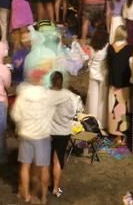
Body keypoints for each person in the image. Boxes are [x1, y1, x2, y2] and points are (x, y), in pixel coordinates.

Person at [13, 72, 56, 205]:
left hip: (26, 134)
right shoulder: (48, 95)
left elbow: (15, 115)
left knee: (25, 166)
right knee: (44, 167)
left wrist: (20, 126)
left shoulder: (23, 94)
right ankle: (43, 197)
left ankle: (26, 195)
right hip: (42, 135)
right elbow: (53, 113)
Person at [48, 70, 81, 199]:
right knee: (57, 160)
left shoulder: (46, 94)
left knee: (46, 159)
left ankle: (44, 184)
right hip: (62, 133)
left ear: (51, 81)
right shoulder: (67, 95)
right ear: (61, 81)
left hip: (48, 131)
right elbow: (72, 113)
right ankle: (56, 189)